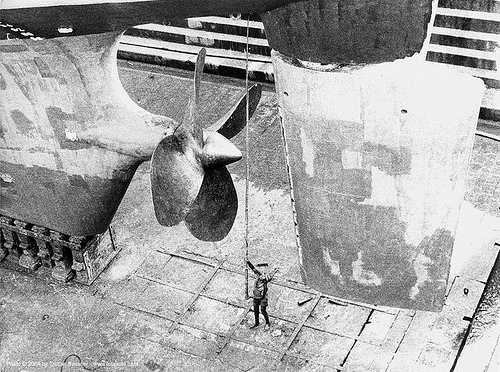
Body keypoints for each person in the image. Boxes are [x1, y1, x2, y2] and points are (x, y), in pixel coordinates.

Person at [247, 260, 277, 330]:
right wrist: (248, 262)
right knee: (256, 311)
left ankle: (267, 323)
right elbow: (253, 269)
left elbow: (262, 296)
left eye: (264, 277)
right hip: (256, 298)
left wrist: (255, 297)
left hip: (262, 299)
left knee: (263, 311)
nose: (262, 277)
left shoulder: (264, 287)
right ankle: (256, 322)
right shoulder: (258, 277)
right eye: (262, 275)